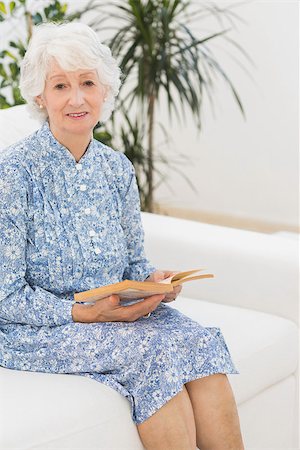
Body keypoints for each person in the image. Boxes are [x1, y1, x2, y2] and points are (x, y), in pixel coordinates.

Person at [0, 22, 244, 450]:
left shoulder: (116, 169)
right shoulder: (14, 174)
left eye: (87, 83)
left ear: (105, 91)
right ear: (40, 96)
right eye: (61, 86)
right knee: (154, 360)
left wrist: (154, 281)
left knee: (202, 345)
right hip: (37, 329)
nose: (77, 98)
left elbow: (132, 263)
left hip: (118, 315)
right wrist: (83, 313)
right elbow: (5, 296)